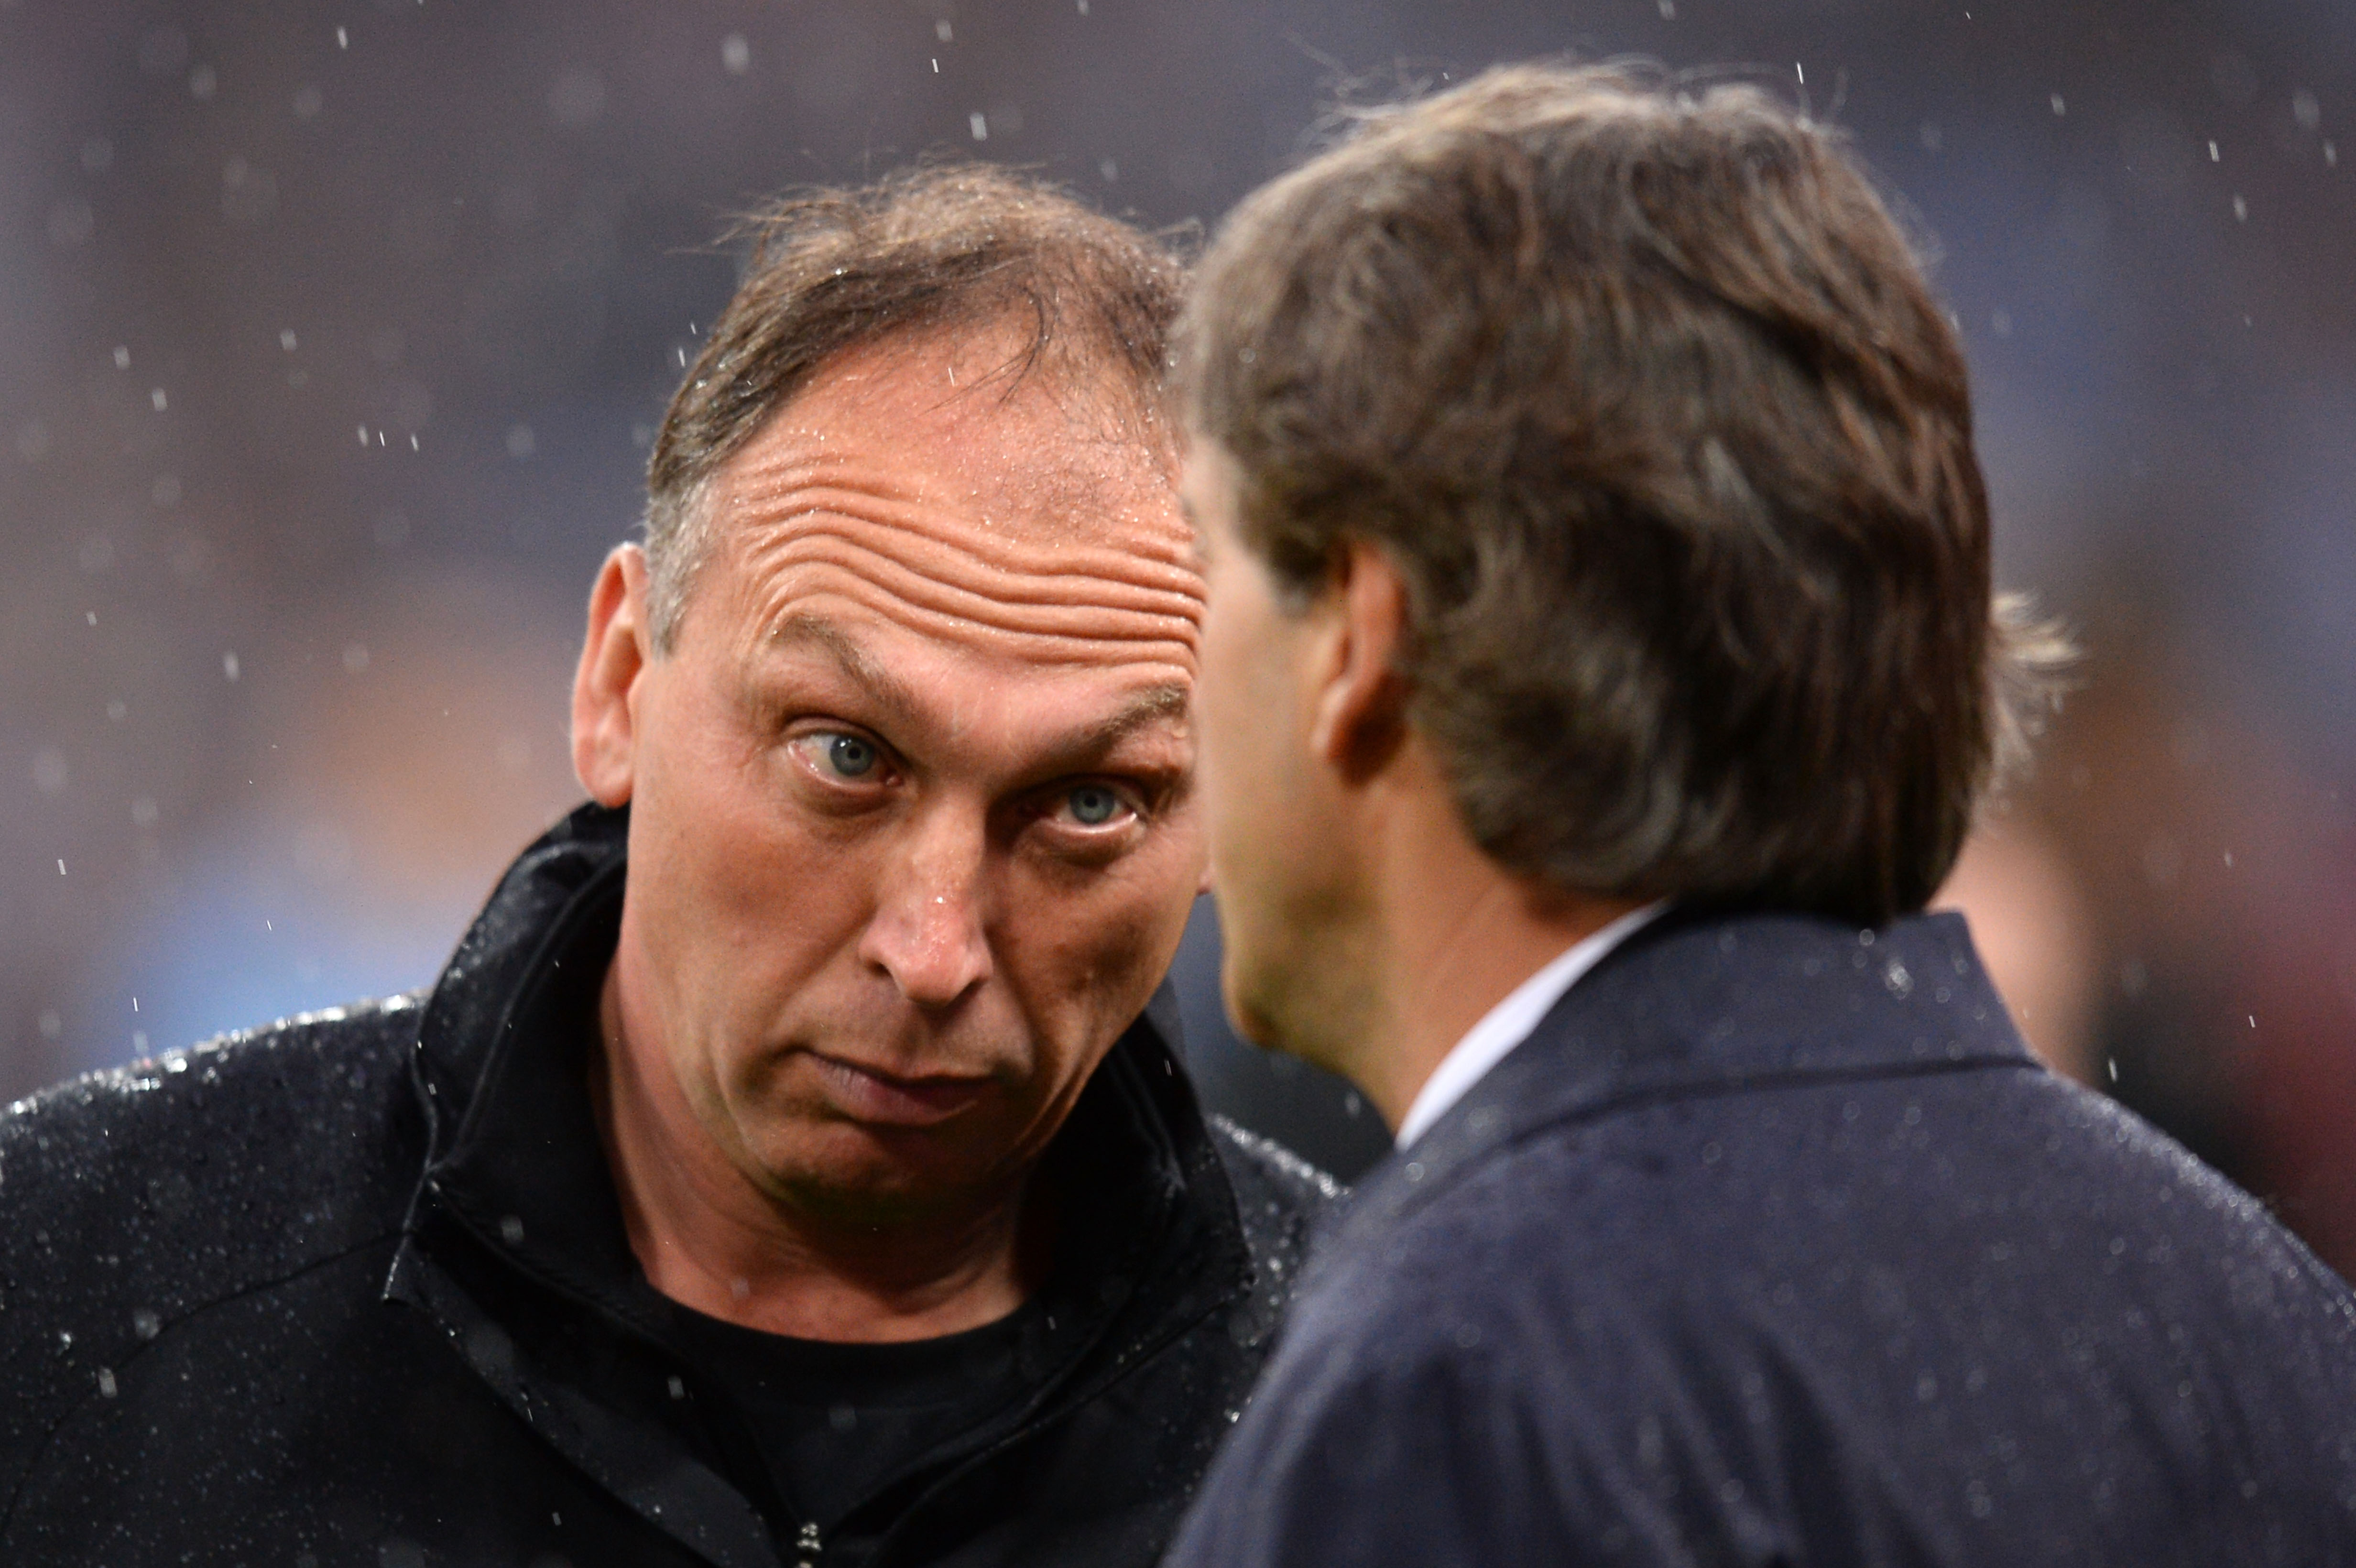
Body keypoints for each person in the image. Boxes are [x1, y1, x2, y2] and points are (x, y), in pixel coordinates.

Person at [0, 166, 1335, 1568]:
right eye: (846, 758)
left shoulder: (1405, 1418)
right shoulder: (70, 1297)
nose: (935, 949)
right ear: (621, 682)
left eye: (1087, 804)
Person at [1164, 64, 2356, 1566]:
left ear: (1360, 639)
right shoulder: (2270, 1327)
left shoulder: (1453, 1387)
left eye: (1202, 561)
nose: (1175, 678)